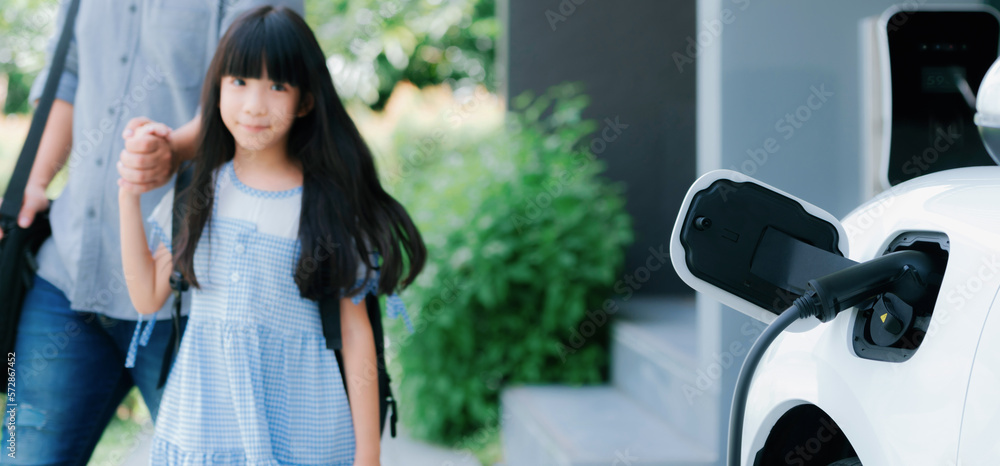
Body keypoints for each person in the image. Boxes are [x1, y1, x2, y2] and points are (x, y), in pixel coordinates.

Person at [117, 6, 426, 464]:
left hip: (306, 431)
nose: (254, 105)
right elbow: (146, 299)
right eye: (239, 82)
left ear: (304, 101)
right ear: (217, 89)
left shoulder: (327, 203)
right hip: (204, 431)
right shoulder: (199, 192)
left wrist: (369, 455)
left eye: (276, 86)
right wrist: (128, 193)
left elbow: (355, 331)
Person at [0, 1, 301, 464]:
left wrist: (174, 150)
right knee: (23, 456)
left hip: (194, 294)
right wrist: (35, 183)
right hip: (66, 273)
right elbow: (67, 76)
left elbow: (263, 86)